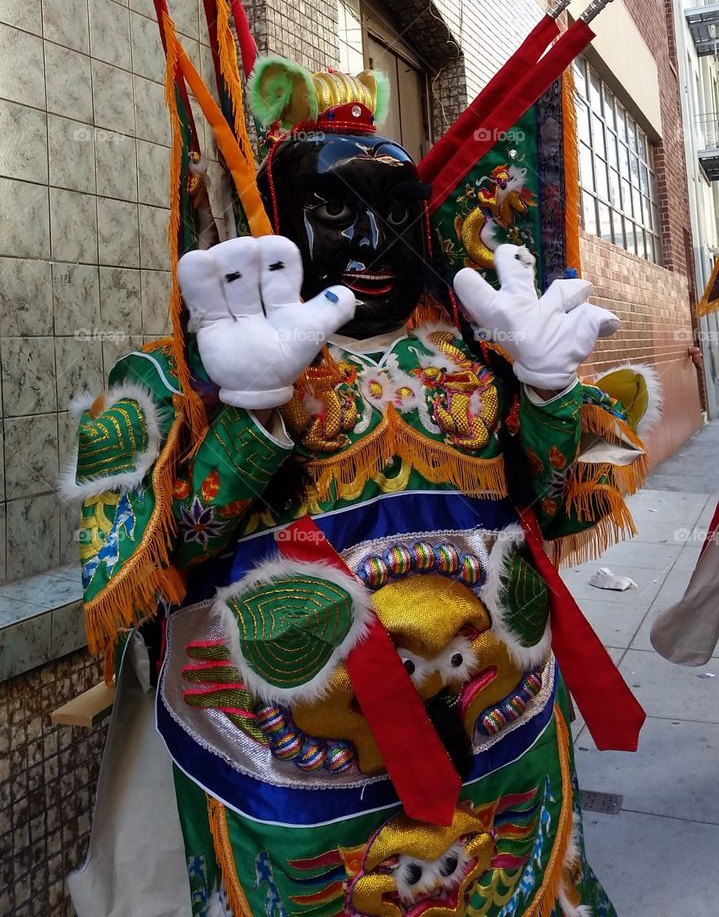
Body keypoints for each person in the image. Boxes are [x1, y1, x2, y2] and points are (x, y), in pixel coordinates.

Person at [64, 57, 655, 917]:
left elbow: (553, 507)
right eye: (334, 210)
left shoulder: (472, 351)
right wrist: (250, 413)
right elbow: (153, 561)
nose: (377, 247)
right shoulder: (188, 375)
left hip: (495, 725)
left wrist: (549, 394)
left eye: (397, 214)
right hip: (295, 761)